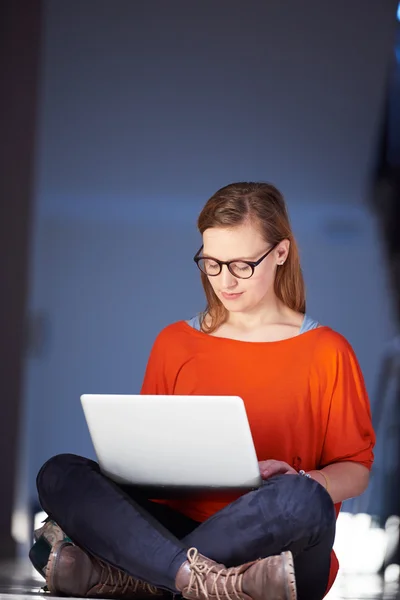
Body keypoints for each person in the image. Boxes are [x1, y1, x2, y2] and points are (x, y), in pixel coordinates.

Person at [31, 182, 375, 600]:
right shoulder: (174, 343)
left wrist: (309, 478)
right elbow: (145, 463)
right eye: (211, 264)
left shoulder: (327, 351)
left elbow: (355, 472)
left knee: (305, 499)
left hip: (275, 546)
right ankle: (197, 581)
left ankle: (145, 576)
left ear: (280, 253)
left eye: (241, 265)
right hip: (176, 528)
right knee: (59, 474)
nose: (224, 281)